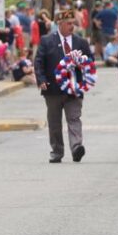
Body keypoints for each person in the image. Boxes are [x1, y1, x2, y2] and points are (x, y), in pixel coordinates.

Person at [34, 9, 93, 163]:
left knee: (74, 118)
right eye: (68, 23)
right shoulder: (47, 41)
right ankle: (57, 151)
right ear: (59, 24)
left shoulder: (80, 42)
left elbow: (90, 62)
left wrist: (85, 70)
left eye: (73, 23)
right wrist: (41, 80)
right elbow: (39, 62)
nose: (71, 26)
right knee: (54, 122)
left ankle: (76, 147)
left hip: (74, 89)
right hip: (53, 89)